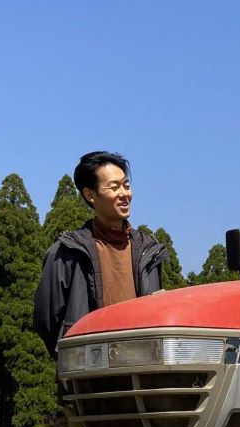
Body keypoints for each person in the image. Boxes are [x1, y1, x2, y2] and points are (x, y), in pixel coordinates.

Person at [33, 150, 165, 355]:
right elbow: (46, 318)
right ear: (90, 194)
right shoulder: (67, 251)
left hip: (142, 369)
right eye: (114, 187)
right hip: (90, 374)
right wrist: (73, 357)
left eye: (126, 185)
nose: (124, 194)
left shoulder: (148, 251)